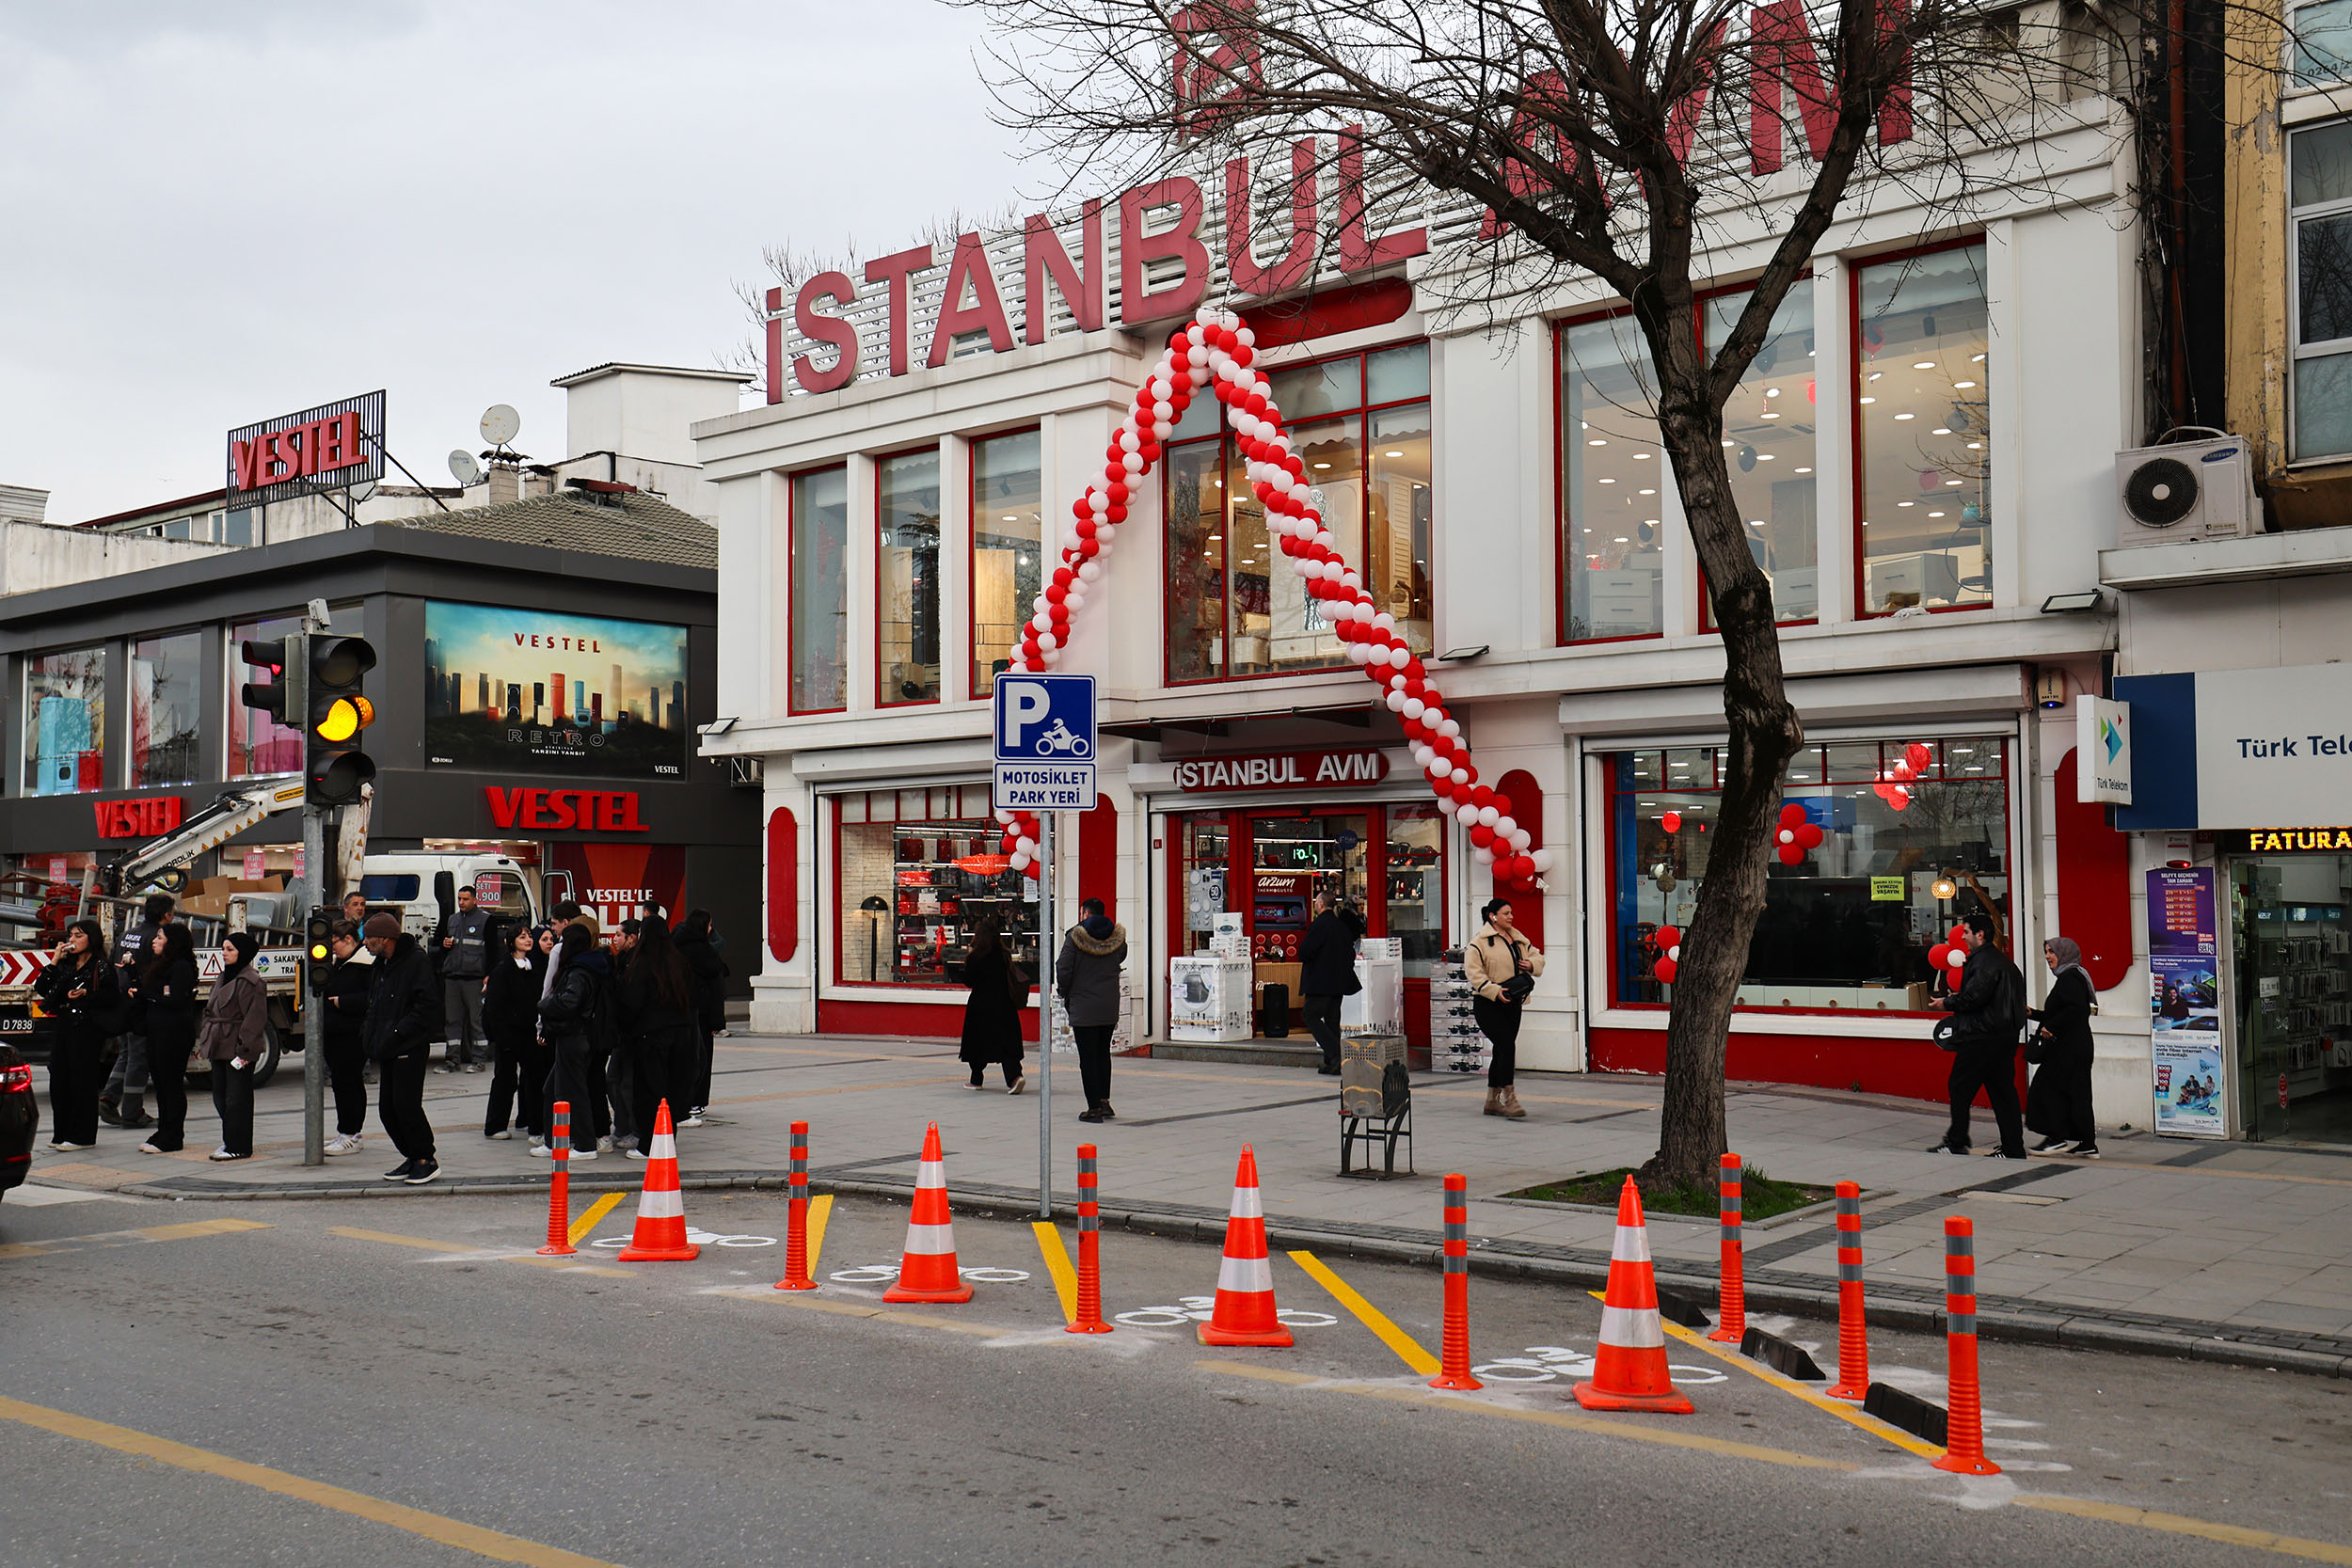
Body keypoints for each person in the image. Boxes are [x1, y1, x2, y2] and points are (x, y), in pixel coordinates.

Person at [1931, 910, 2029, 1158]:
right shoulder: (2006, 963)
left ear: (1980, 935)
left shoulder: (1983, 962)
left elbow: (1975, 998)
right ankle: (2012, 1147)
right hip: (2005, 1036)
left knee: (1960, 1086)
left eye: (1966, 932)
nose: (1962, 937)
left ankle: (1957, 1141)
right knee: (2003, 1091)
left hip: (1981, 1036)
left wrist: (1948, 1003)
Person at [361, 911, 442, 1183]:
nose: (366, 944)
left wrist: (399, 1031)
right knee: (388, 1109)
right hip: (388, 1045)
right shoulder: (381, 964)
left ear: (386, 938)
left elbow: (427, 1005)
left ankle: (425, 1159)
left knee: (406, 1105)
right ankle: (411, 1155)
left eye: (370, 939)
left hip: (409, 1044)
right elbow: (375, 1000)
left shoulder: (416, 961)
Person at [615, 915, 697, 1155]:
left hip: (650, 1036)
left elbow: (632, 1002)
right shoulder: (679, 961)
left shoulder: (643, 962)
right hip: (681, 1033)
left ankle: (648, 1144)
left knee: (650, 1091)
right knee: (671, 1091)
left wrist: (625, 1028)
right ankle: (667, 1140)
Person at [35, 918, 118, 1150]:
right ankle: (61, 1133)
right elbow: (42, 987)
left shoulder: (100, 965)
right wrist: (54, 960)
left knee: (81, 1081)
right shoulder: (67, 965)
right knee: (59, 1079)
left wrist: (85, 994)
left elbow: (111, 997)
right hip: (64, 1026)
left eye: (78, 935)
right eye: (71, 935)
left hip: (87, 1029)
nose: (72, 940)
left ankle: (82, 1136)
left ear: (91, 938)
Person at [1463, 897, 1544, 1119]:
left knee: (1502, 1049)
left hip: (1514, 1002)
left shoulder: (1517, 938)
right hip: (1488, 1004)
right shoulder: (1479, 942)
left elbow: (1537, 955)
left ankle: (1491, 1100)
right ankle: (1510, 1097)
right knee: (1507, 1046)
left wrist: (1531, 965)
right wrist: (1492, 990)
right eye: (1506, 913)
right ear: (1493, 916)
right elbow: (1473, 971)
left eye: (1511, 913)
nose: (1511, 917)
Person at [100, 892, 175, 1130]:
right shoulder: (157, 938)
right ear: (167, 915)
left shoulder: (127, 934)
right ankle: (132, 1112)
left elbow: (114, 965)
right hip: (140, 1004)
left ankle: (108, 1099)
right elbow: (156, 972)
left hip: (122, 1002)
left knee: (126, 1054)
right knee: (139, 1058)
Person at [195, 931, 269, 1163]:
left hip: (237, 1045)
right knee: (220, 1094)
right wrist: (207, 1030)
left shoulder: (252, 982)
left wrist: (245, 1050)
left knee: (238, 1098)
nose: (224, 954)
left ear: (242, 953)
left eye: (230, 950)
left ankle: (239, 1144)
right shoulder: (223, 977)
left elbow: (255, 1018)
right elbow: (211, 1007)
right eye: (224, 949)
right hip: (218, 1042)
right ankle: (230, 1139)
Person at [537, 923, 609, 1161]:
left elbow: (569, 1003)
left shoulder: (579, 971)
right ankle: (554, 1141)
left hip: (574, 1036)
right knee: (553, 1089)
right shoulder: (592, 965)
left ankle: (585, 1145)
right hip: (581, 1035)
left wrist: (544, 1004)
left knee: (572, 1091)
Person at [2026, 936, 2100, 1157]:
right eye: (2046, 951)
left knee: (2046, 1089)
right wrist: (2036, 1015)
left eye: (2052, 951)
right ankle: (2088, 1143)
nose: (2047, 956)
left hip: (2068, 1049)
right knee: (2077, 1095)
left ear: (2065, 953)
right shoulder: (2072, 976)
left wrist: (2052, 1027)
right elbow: (2064, 1010)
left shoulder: (2069, 978)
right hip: (2076, 1047)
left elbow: (2076, 1010)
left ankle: (2056, 1138)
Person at [1057, 898, 1127, 1122]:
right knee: (1103, 1054)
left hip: (1084, 1005)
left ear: (1085, 914)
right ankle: (1104, 1102)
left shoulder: (1074, 938)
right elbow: (1121, 957)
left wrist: (1065, 991)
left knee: (1087, 1058)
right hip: (1108, 1005)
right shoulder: (1117, 939)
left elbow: (1063, 968)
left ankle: (1093, 1107)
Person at [131, 923, 198, 1156]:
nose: (154, 941)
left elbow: (176, 1000)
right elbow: (153, 992)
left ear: (172, 942)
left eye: (160, 937)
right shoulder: (160, 965)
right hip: (157, 1031)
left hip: (174, 1034)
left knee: (171, 1086)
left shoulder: (181, 967)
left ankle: (173, 1135)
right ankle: (163, 1131)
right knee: (160, 1085)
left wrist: (147, 996)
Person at [485, 925, 548, 1145]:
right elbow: (494, 1006)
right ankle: (495, 1124)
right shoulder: (502, 969)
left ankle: (533, 1124)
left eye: (529, 936)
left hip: (529, 1032)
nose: (528, 940)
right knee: (505, 1079)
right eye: (522, 937)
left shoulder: (533, 967)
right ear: (511, 942)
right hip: (509, 1034)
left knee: (533, 1078)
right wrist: (501, 1037)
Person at [320, 920, 373, 1155]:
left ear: (349, 940)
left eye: (335, 943)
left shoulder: (365, 965)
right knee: (340, 1083)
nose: (332, 949)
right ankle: (344, 1131)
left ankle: (352, 1133)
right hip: (333, 1032)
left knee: (350, 1083)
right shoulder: (337, 964)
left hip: (353, 1033)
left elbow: (371, 997)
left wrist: (343, 1002)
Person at [959, 915, 1028, 1094]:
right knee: (1006, 1044)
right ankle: (1015, 1077)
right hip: (1004, 1004)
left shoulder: (975, 957)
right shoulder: (1004, 955)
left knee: (977, 1043)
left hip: (980, 1005)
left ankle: (976, 1079)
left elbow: (968, 981)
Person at [1297, 889, 1363, 1075]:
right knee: (1333, 1020)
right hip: (1339, 982)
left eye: (1316, 902)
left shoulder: (1319, 925)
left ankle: (1335, 1055)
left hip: (1320, 982)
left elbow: (1305, 951)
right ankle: (1332, 1063)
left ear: (1319, 905)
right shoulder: (1341, 926)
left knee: (1310, 1015)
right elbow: (1351, 953)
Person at [673, 910, 729, 1127]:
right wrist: (718, 1022)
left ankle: (684, 1100)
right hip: (701, 1013)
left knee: (685, 1058)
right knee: (700, 1058)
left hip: (679, 1012)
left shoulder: (675, 946)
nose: (711, 930)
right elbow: (715, 989)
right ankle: (695, 1101)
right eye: (709, 926)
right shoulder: (705, 953)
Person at [436, 885, 492, 1073]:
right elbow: (439, 945)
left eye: (465, 899)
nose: (461, 902)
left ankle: (479, 1060)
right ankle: (452, 1060)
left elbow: (493, 950)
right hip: (453, 976)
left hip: (474, 978)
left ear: (475, 900)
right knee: (452, 1021)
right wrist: (444, 945)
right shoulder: (452, 919)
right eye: (460, 899)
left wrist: (488, 975)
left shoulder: (485, 920)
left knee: (477, 1021)